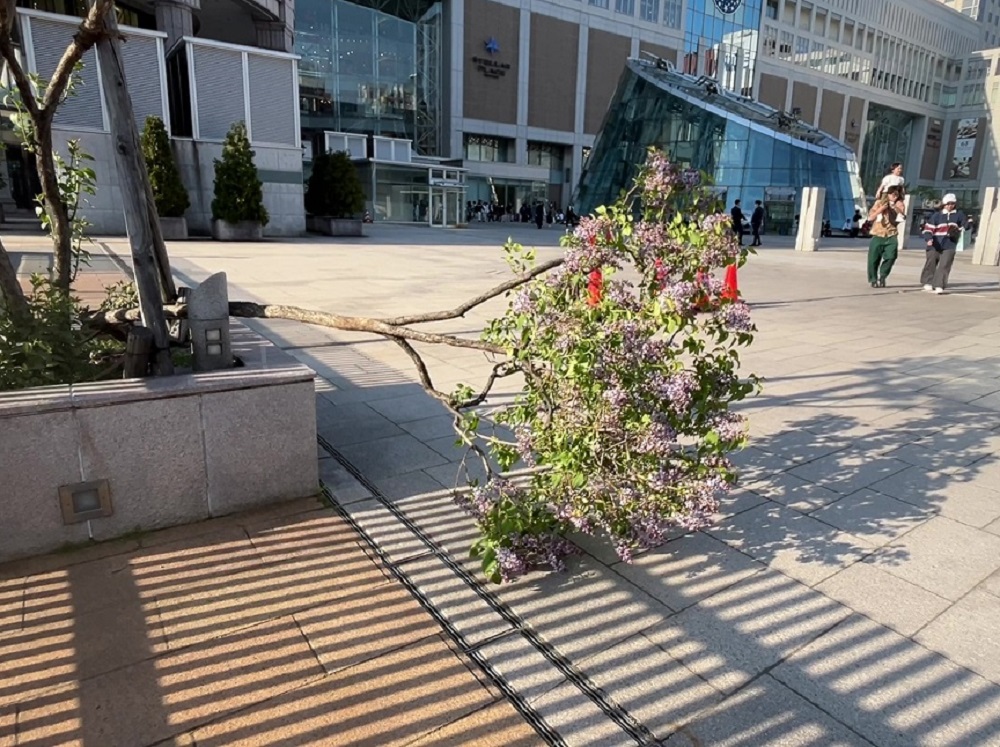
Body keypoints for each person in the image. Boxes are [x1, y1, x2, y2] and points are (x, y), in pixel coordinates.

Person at [920, 193, 966, 294]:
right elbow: (928, 229)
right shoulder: (936, 216)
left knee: (945, 265)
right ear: (944, 204)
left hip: (950, 243)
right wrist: (928, 239)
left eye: (952, 203)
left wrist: (961, 228)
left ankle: (939, 285)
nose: (950, 206)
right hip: (934, 243)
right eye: (948, 204)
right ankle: (928, 282)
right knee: (931, 263)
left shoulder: (959, 215)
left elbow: (965, 225)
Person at [866, 184, 905, 288]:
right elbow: (870, 218)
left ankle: (882, 275)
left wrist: (895, 207)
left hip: (891, 234)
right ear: (888, 194)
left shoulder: (899, 204)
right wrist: (881, 209)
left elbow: (902, 216)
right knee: (873, 259)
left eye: (897, 194)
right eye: (892, 194)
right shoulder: (879, 203)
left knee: (891, 256)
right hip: (878, 233)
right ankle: (873, 279)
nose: (894, 196)